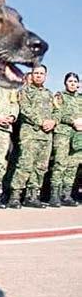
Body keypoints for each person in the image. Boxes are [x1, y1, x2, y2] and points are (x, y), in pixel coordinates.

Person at [8, 65, 56, 209]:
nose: (39, 76)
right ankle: (15, 196)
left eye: (42, 73)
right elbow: (24, 109)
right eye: (36, 73)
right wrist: (42, 122)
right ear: (32, 75)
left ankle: (32, 196)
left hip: (46, 135)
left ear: (46, 76)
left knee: (41, 167)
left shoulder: (49, 94)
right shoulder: (24, 91)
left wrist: (53, 121)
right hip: (30, 134)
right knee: (25, 165)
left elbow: (57, 111)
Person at [49, 72, 82, 207]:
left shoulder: (80, 98)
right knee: (60, 163)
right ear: (65, 83)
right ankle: (54, 195)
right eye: (70, 81)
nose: (72, 84)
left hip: (78, 135)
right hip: (63, 134)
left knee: (73, 165)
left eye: (75, 81)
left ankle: (66, 194)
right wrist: (73, 121)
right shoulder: (59, 96)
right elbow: (57, 114)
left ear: (78, 84)